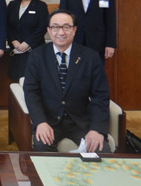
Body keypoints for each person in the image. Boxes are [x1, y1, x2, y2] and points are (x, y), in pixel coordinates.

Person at [24, 9, 111, 153]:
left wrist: (97, 129)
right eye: (55, 27)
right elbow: (31, 92)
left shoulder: (91, 57)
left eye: (66, 27)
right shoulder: (37, 56)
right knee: (41, 147)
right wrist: (40, 122)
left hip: (80, 121)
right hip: (50, 120)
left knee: (102, 151)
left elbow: (100, 96)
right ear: (49, 30)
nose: (61, 32)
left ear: (74, 30)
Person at [7, 0, 49, 81]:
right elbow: (7, 26)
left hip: (34, 50)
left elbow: (42, 28)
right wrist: (13, 41)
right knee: (17, 80)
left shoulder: (40, 6)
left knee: (33, 81)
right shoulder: (12, 5)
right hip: (16, 51)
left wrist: (27, 43)